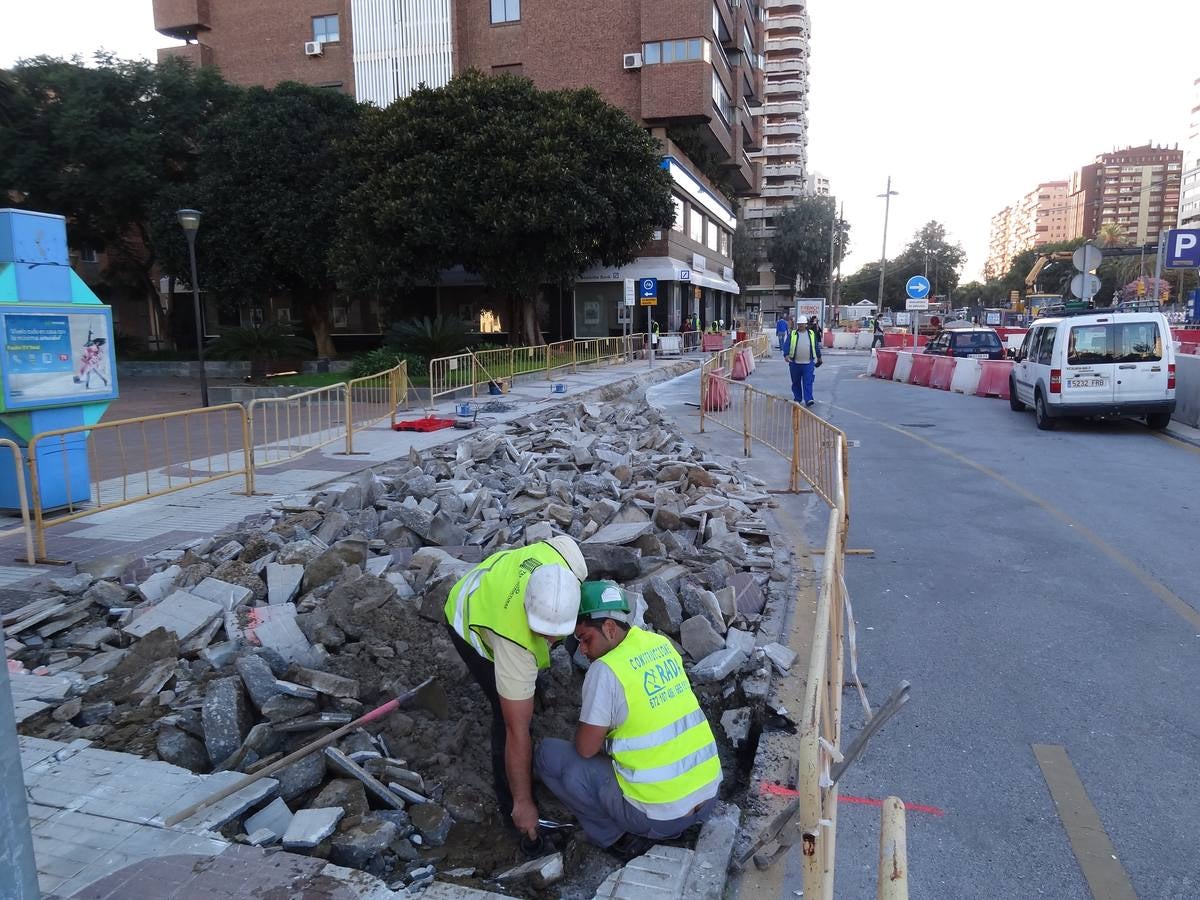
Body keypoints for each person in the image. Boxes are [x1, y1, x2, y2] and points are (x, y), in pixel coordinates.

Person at [534, 582, 721, 862]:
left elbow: (585, 748)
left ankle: (615, 838)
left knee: (548, 755)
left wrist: (607, 740)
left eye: (585, 639)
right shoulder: (659, 644)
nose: (582, 650)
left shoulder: (605, 670)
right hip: (708, 799)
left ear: (609, 627)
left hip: (660, 819)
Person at [443, 536, 587, 840]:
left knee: (525, 687)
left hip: (497, 580)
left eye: (556, 634)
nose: (550, 641)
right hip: (467, 612)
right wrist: (524, 802)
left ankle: (528, 689)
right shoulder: (514, 644)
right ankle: (514, 814)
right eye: (543, 633)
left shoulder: (568, 557)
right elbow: (516, 731)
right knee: (506, 716)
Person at [786, 319, 821, 407]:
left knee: (808, 381)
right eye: (799, 324)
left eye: (802, 324)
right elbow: (787, 345)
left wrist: (819, 357)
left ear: (806, 324)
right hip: (795, 363)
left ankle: (808, 399)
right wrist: (786, 355)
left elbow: (816, 346)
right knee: (796, 382)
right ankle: (797, 399)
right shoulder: (793, 334)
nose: (800, 325)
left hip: (808, 363)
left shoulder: (811, 334)